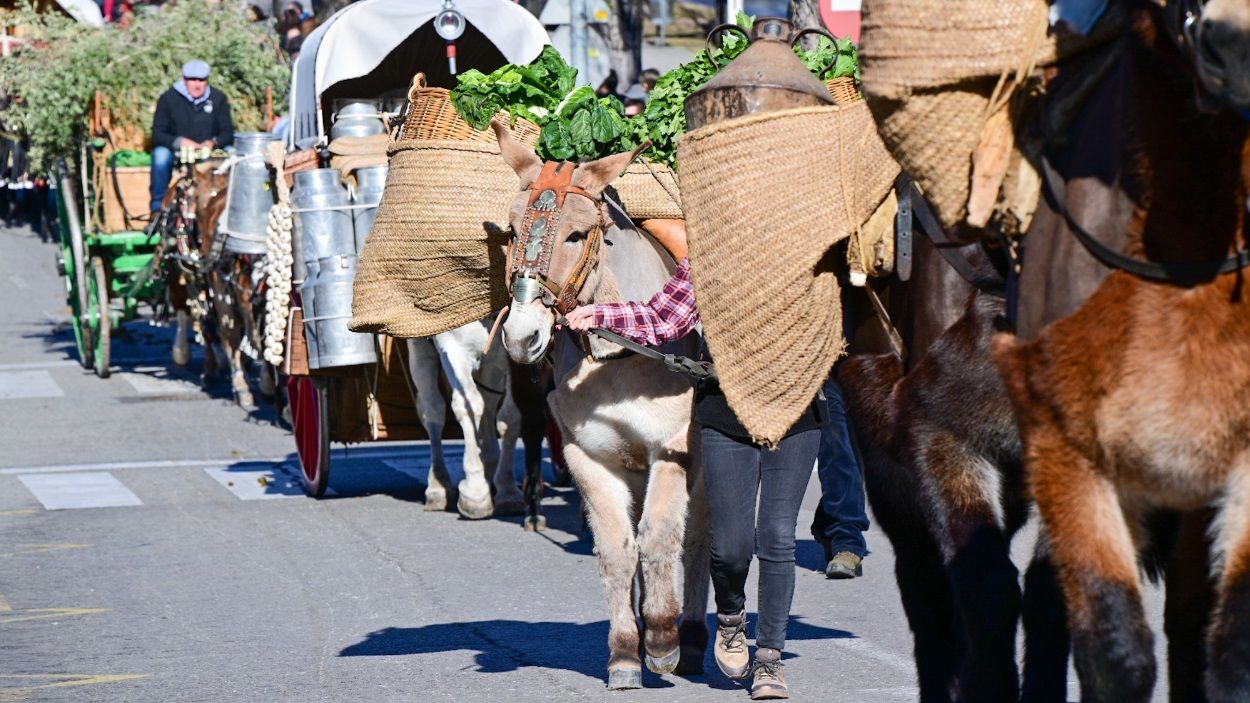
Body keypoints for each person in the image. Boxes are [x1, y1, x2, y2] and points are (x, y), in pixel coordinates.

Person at [566, 220, 826, 700]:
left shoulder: (815, 260)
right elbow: (663, 320)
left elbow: (833, 332)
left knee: (777, 539)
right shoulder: (709, 261)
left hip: (795, 411)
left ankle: (768, 659)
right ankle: (728, 617)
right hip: (726, 412)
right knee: (729, 546)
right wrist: (601, 315)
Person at [150, 60, 234, 212]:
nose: (197, 84)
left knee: (232, 152)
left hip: (211, 152)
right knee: (160, 155)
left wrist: (214, 142)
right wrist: (180, 141)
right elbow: (158, 134)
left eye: (201, 80)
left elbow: (228, 133)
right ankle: (158, 207)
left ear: (207, 80)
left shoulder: (218, 99)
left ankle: (230, 203)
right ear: (184, 80)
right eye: (192, 80)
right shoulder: (168, 99)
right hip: (179, 152)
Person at [810, 374, 870, 578]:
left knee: (861, 447)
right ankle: (847, 540)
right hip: (828, 356)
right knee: (836, 444)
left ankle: (828, 519)